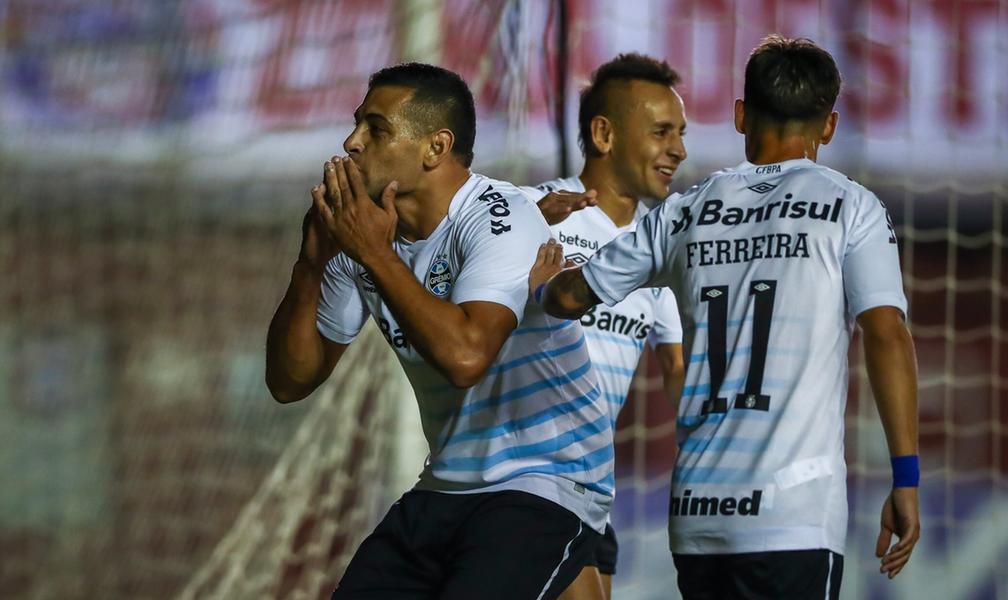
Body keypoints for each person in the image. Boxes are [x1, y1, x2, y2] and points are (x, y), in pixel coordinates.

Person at [538, 36, 920, 599]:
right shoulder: (850, 207)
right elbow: (886, 335)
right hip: (794, 512)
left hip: (698, 515)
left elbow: (568, 297)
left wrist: (539, 279)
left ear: (741, 117)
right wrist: (905, 478)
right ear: (829, 126)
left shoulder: (682, 212)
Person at [265, 62, 614, 599]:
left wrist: (375, 255)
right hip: (447, 482)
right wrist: (309, 264)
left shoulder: (501, 215)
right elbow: (291, 382)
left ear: (435, 147)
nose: (352, 142)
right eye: (357, 124)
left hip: (545, 479)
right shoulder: (365, 238)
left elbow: (465, 358)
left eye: (376, 128)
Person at [527, 53, 689, 600]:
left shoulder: (657, 247)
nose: (679, 151)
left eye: (681, 134)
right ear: (603, 134)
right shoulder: (538, 213)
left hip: (591, 489)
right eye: (662, 132)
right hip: (527, 476)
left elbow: (678, 372)